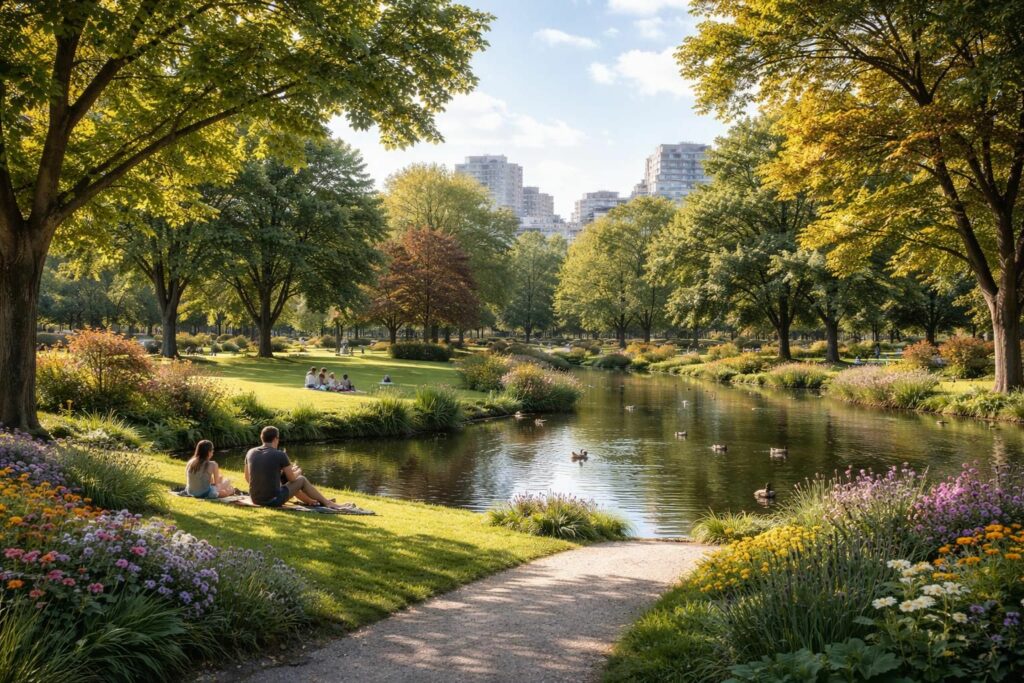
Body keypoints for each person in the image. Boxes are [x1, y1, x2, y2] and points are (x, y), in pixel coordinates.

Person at [244, 426, 347, 509]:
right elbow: (292, 479)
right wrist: (298, 472)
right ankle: (327, 503)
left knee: (284, 479)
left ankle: (311, 501)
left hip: (255, 499)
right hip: (272, 501)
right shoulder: (280, 454)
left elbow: (248, 478)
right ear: (276, 439)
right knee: (301, 480)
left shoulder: (250, 452)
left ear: (262, 438)